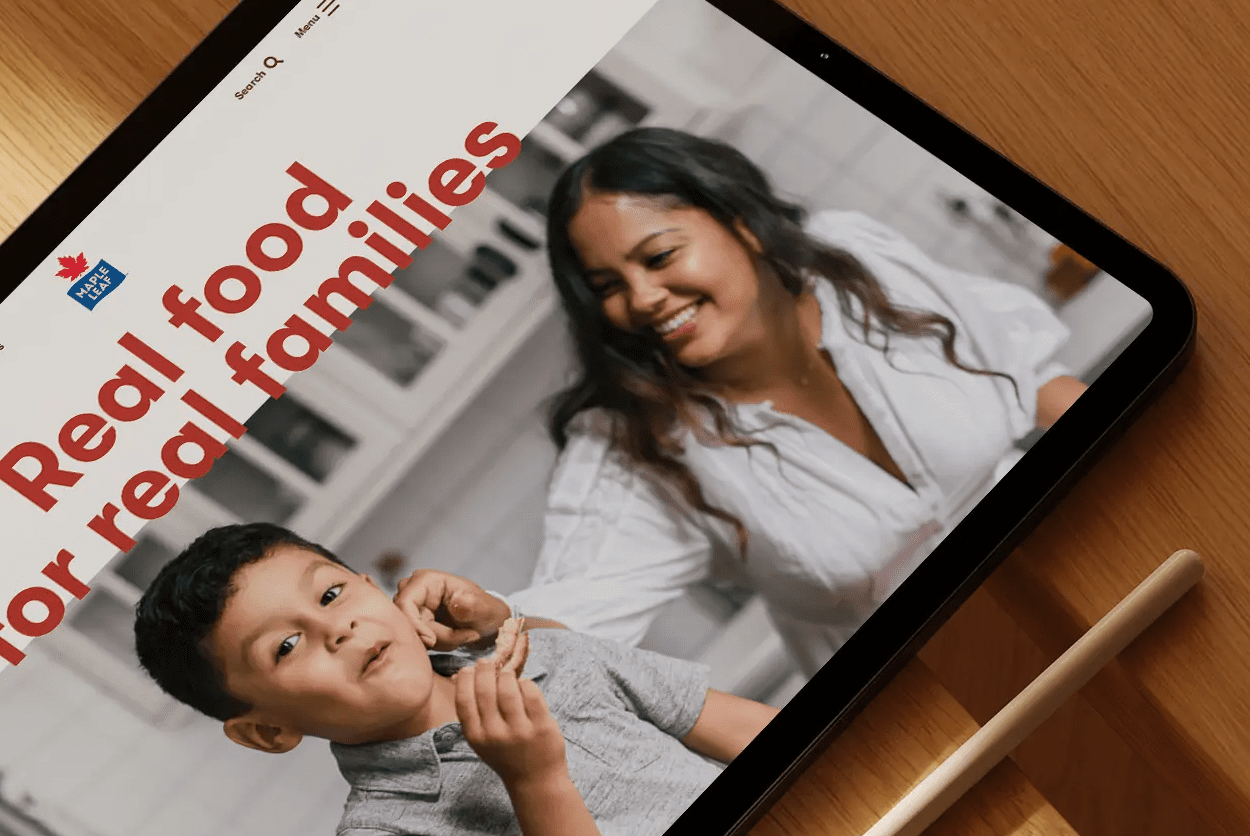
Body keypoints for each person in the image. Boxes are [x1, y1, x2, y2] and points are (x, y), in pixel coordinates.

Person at [396, 128, 1085, 680]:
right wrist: (490, 622)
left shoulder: (852, 259)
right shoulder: (638, 439)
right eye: (608, 284)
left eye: (660, 256)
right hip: (929, 695)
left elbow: (1029, 374)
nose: (640, 299)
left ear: (743, 224)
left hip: (1078, 575)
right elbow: (577, 613)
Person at [131, 523, 775, 836]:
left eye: (331, 592)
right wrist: (535, 779)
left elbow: (747, 731)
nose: (338, 628)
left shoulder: (544, 650)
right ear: (269, 730)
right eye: (287, 646)